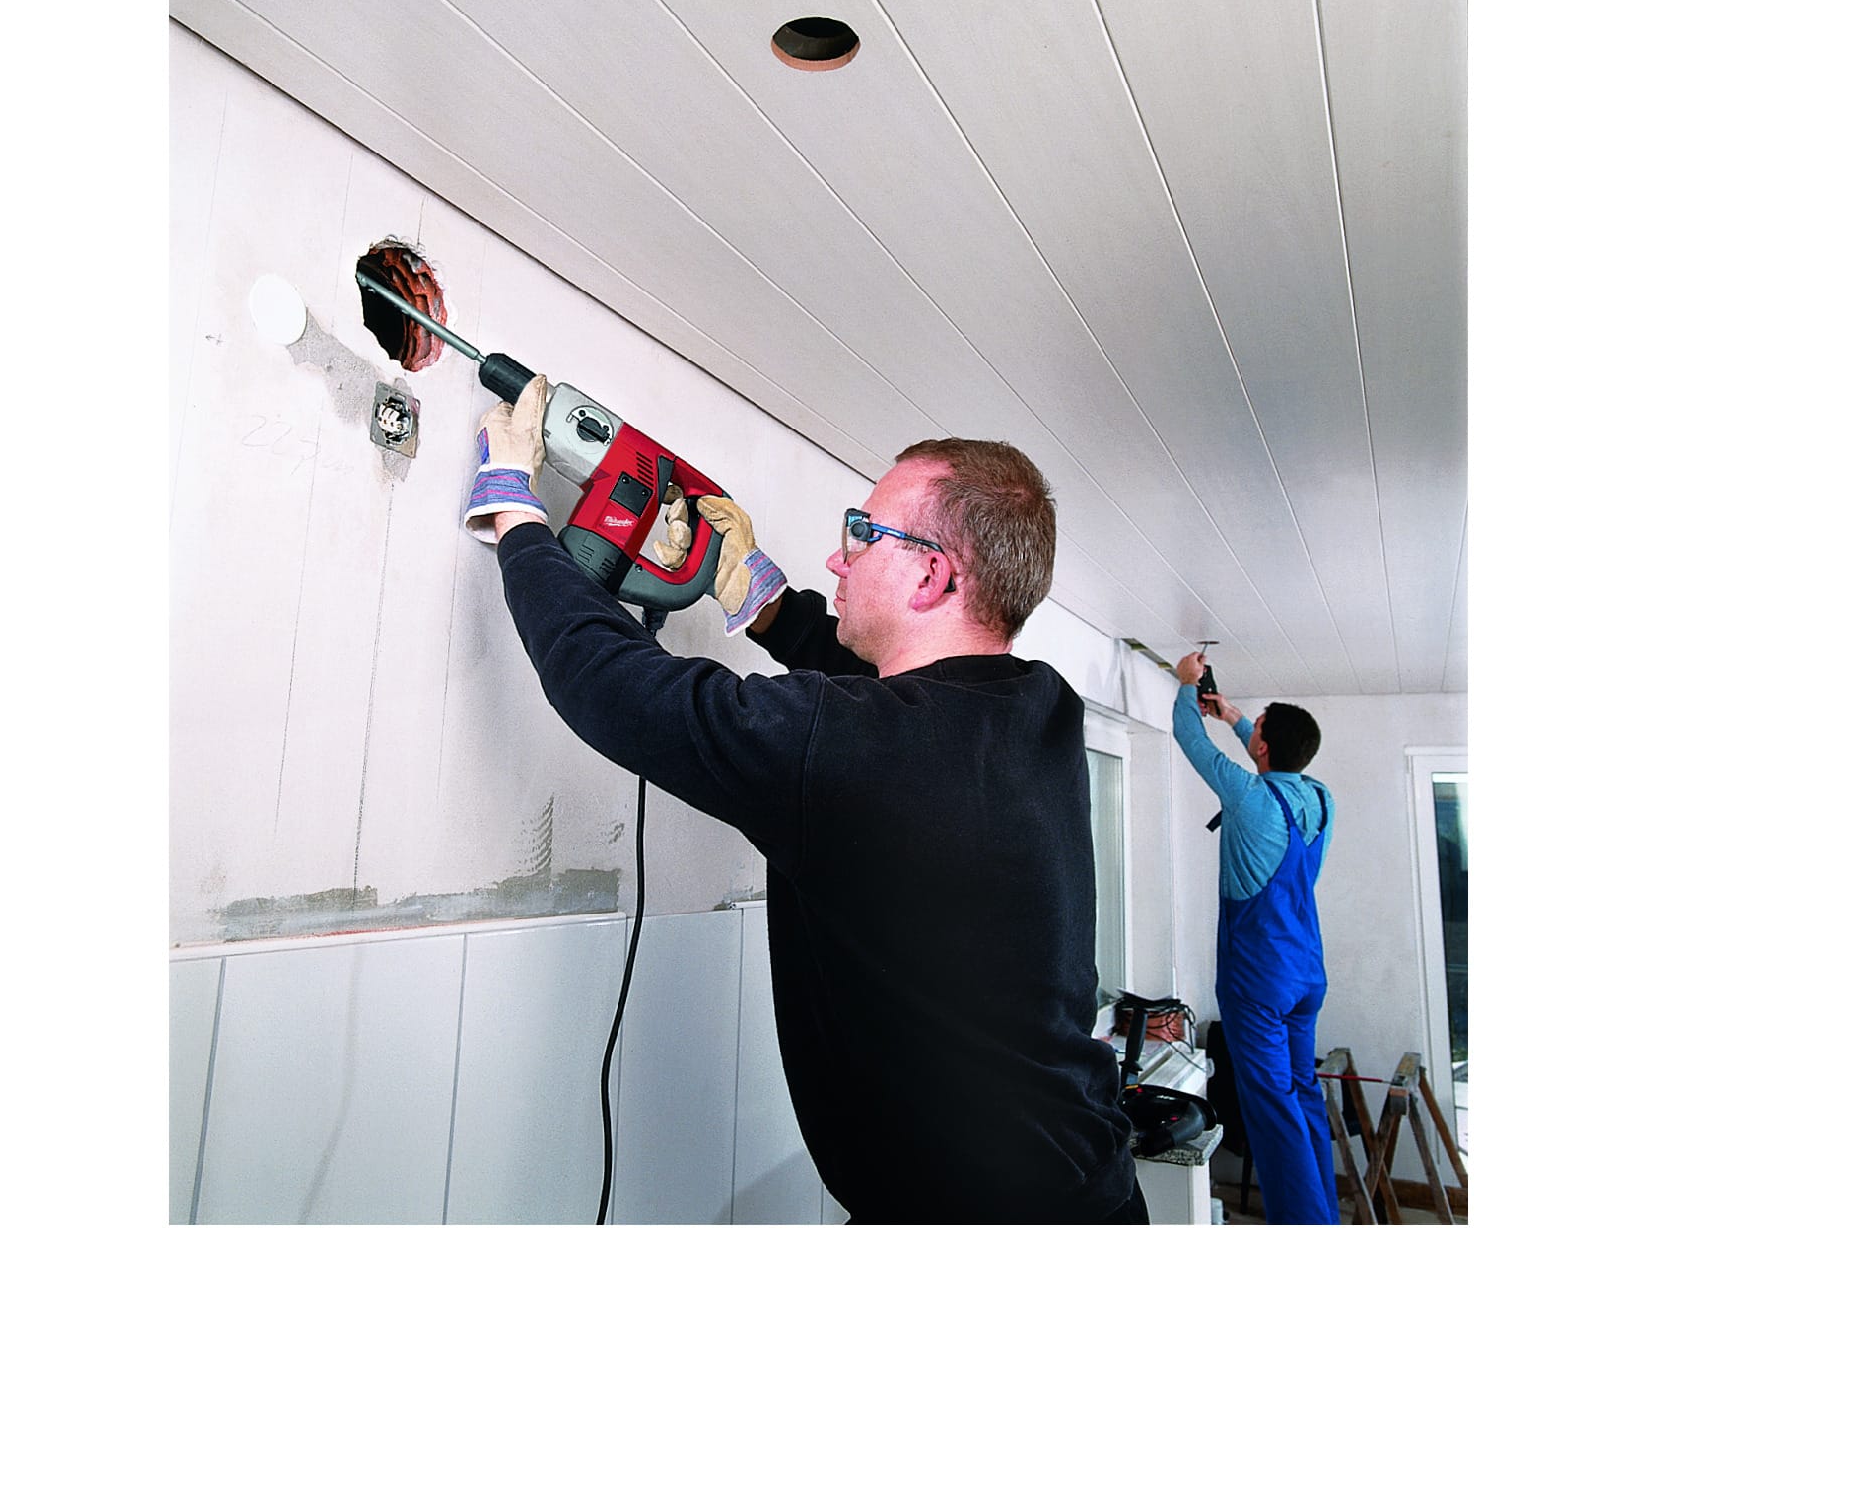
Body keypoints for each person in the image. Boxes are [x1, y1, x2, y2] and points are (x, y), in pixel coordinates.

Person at [468, 379, 1143, 1224]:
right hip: (1090, 1191)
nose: (838, 557)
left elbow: (609, 684)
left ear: (932, 574)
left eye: (863, 532)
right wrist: (765, 604)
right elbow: (902, 700)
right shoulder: (1040, 707)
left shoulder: (859, 748)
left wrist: (516, 513)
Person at [1170, 659, 1338, 1225]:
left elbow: (1189, 737)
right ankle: (1324, 1218)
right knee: (1303, 1094)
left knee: (1272, 1109)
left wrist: (1187, 683)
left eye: (1257, 730)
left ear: (1262, 748)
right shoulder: (1320, 799)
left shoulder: (1248, 796)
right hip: (1306, 974)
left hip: (1258, 982)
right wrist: (1237, 718)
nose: (1252, 733)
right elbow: (1272, 760)